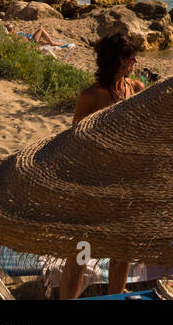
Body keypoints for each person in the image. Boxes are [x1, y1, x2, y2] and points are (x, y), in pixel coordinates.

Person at [60, 34, 146, 299]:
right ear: (117, 61)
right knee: (81, 250)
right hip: (94, 181)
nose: (136, 61)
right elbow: (75, 141)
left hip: (127, 181)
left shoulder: (137, 88)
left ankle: (115, 296)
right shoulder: (91, 96)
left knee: (124, 249)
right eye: (131, 57)